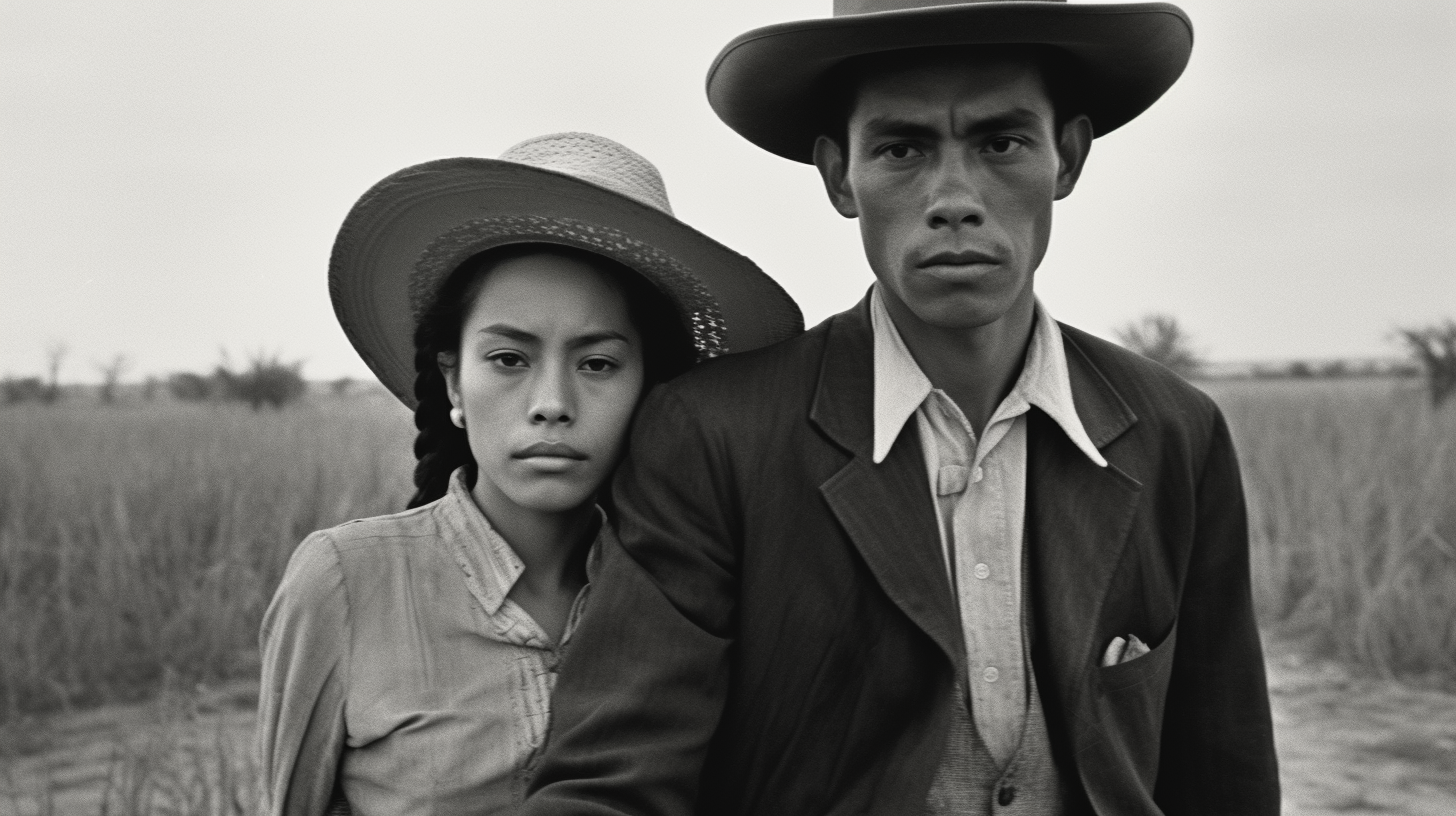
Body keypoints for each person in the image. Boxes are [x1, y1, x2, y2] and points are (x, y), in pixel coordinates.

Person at [524, 3, 1279, 815]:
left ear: (1067, 156)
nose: (954, 197)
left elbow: (1223, 770)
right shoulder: (715, 437)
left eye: (1000, 142)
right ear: (839, 176)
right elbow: (616, 778)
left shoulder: (1173, 433)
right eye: (902, 148)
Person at [254, 132, 802, 816]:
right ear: (453, 382)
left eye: (597, 363)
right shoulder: (345, 581)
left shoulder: (704, 589)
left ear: (655, 390)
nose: (551, 405)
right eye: (510, 359)